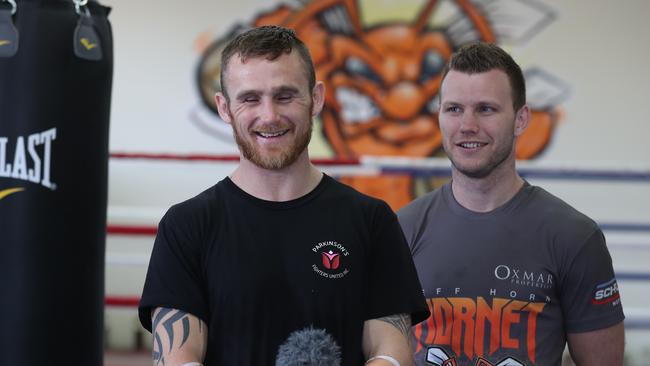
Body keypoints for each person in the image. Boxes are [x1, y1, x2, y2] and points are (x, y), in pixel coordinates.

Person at [138, 25, 429, 366]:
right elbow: (177, 358)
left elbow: (391, 352)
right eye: (250, 98)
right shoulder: (187, 226)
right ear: (224, 107)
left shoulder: (370, 220)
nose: (270, 115)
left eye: (285, 95)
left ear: (316, 98)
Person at [397, 42, 624, 366]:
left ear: (521, 119)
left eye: (486, 109)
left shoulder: (574, 237)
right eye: (454, 109)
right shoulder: (403, 229)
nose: (467, 125)